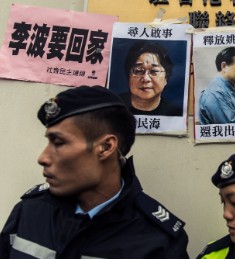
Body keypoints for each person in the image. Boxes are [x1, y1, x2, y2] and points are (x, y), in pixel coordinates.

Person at [0, 86, 189, 258]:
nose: (43, 158)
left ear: (106, 147)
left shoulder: (158, 239)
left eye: (58, 142)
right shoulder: (28, 212)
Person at [120, 41, 182, 116]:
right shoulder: (113, 106)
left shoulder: (176, 112)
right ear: (128, 75)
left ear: (166, 78)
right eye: (138, 71)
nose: (146, 79)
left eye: (153, 71)